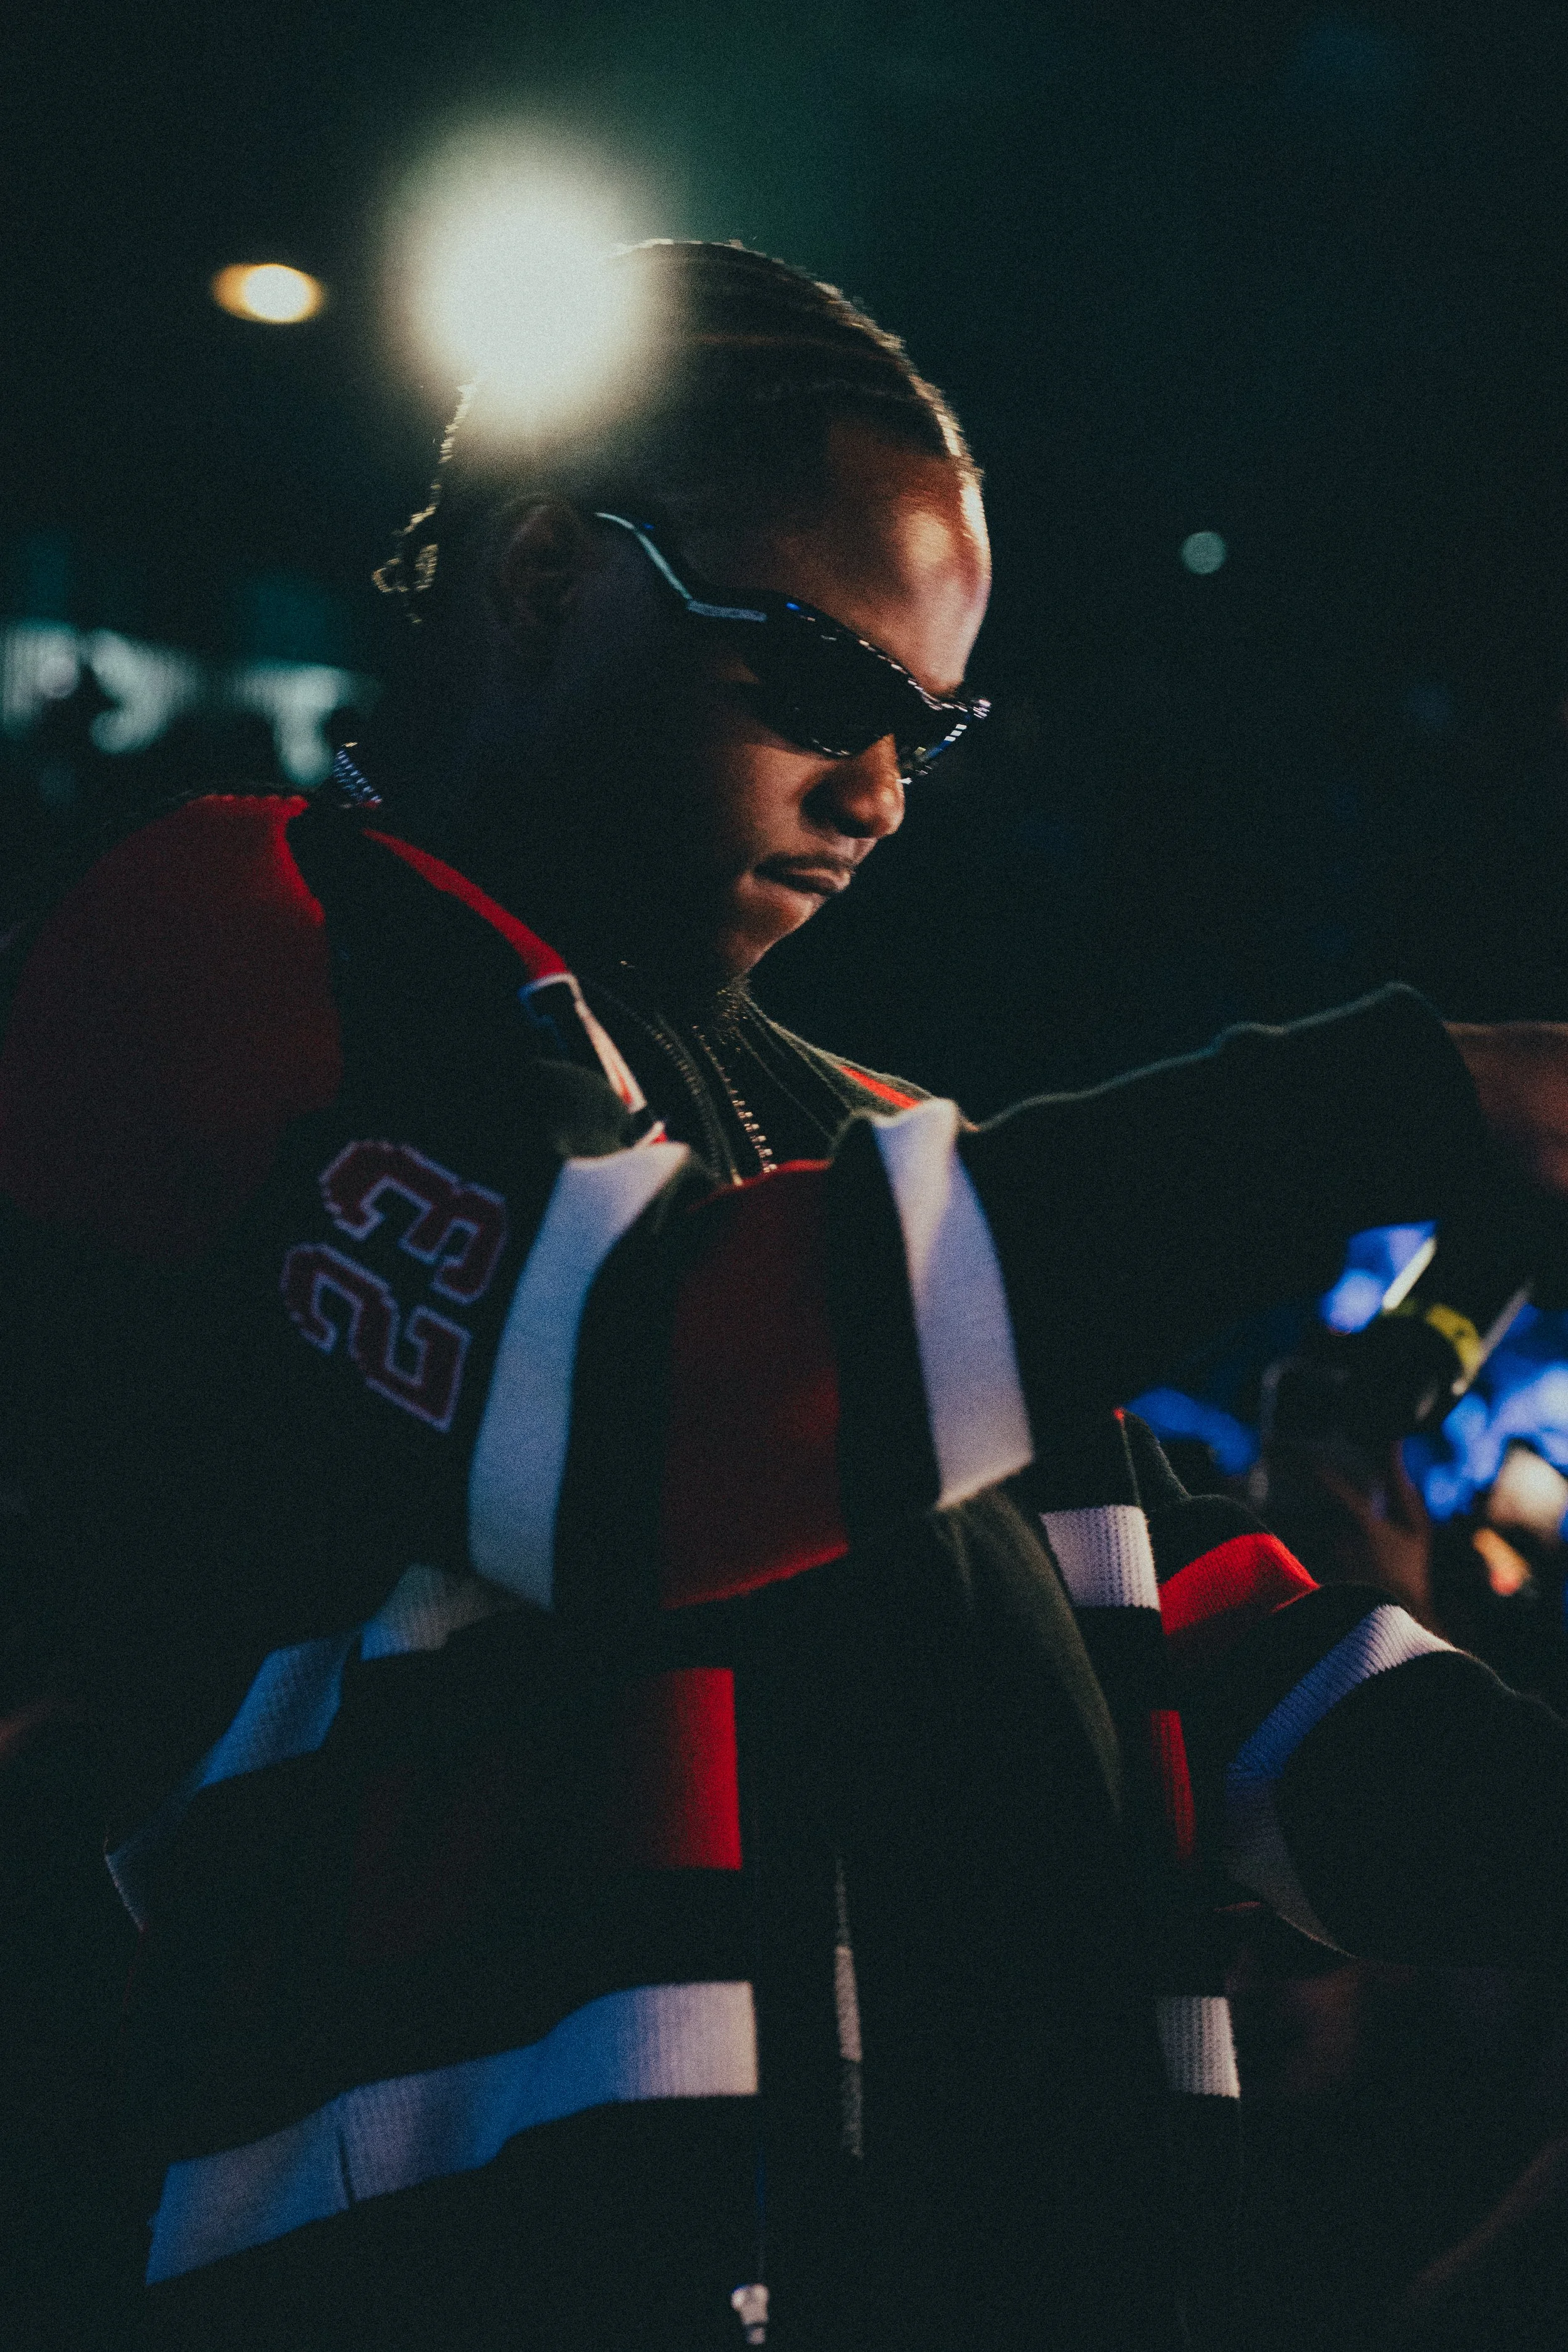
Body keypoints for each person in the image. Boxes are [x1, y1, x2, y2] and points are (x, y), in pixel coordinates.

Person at [8, 238, 1568, 2351]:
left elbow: (1230, 1673)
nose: (883, 792)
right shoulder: (217, 942)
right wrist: (1399, 1100)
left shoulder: (883, 1168)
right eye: (826, 688)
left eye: (932, 728)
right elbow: (637, 1401)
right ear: (548, 582)